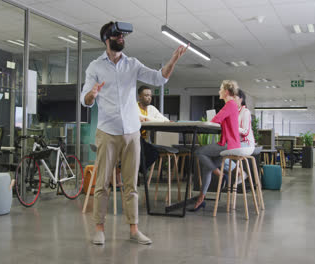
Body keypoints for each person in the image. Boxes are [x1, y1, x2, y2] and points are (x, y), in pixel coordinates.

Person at [81, 21, 187, 245]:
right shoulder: (95, 67)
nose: (122, 39)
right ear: (107, 39)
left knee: (131, 185)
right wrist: (91, 93)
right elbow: (86, 100)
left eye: (123, 37)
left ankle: (134, 230)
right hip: (107, 132)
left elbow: (159, 78)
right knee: (102, 184)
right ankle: (99, 228)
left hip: (131, 133)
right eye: (118, 36)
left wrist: (174, 59)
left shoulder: (133, 64)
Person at [193, 80, 241, 211]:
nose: (219, 92)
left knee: (199, 152)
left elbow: (215, 120)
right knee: (207, 167)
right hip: (230, 143)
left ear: (226, 92)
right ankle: (201, 199)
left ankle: (221, 175)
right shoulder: (233, 105)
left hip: (228, 144)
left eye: (220, 90)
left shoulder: (230, 104)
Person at [236, 89, 255, 155]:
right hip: (237, 143)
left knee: (221, 150)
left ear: (241, 99)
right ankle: (234, 165)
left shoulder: (245, 112)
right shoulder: (234, 112)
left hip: (246, 144)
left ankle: (233, 166)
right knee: (218, 152)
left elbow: (245, 131)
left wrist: (232, 127)